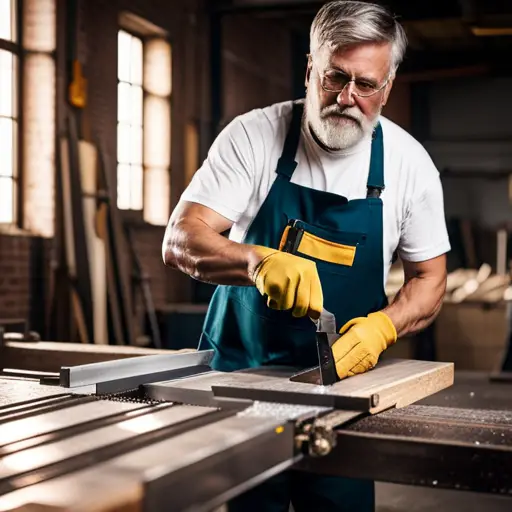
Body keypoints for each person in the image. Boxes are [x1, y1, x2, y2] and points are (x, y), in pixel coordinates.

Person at [162, 1, 451, 510]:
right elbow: (182, 238)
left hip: (343, 395)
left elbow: (429, 279)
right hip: (239, 385)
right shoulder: (253, 136)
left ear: (388, 87)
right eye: (334, 77)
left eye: (366, 85)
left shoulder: (411, 167)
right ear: (310, 67)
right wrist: (258, 261)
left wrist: (383, 326)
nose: (347, 97)